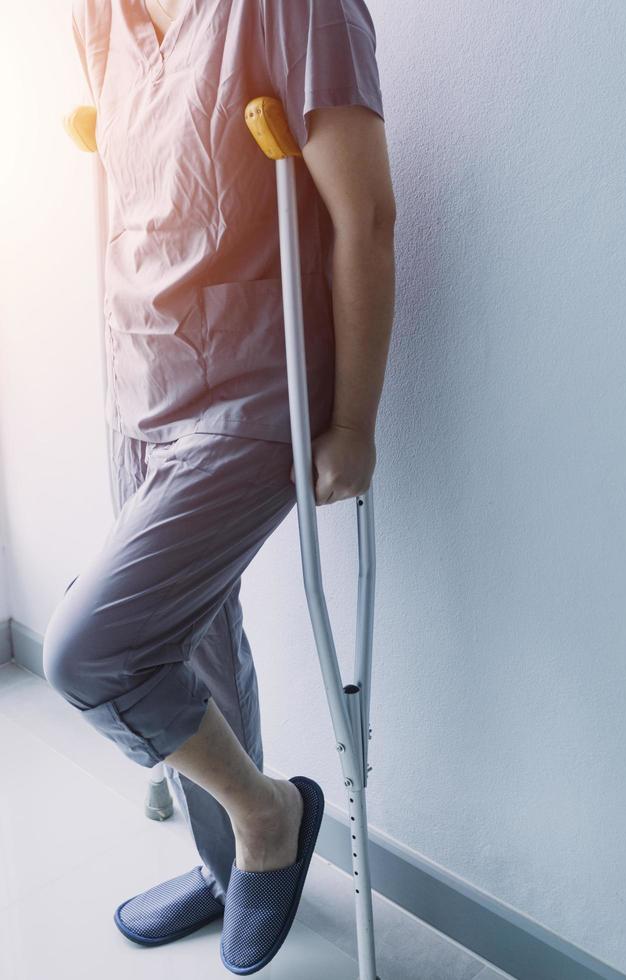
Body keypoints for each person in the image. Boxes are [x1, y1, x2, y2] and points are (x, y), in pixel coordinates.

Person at [44, 0, 395, 968]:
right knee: (194, 634)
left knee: (90, 650)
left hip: (251, 394)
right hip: (141, 385)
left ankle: (265, 814)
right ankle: (225, 864)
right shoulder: (100, 16)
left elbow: (366, 216)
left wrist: (355, 421)